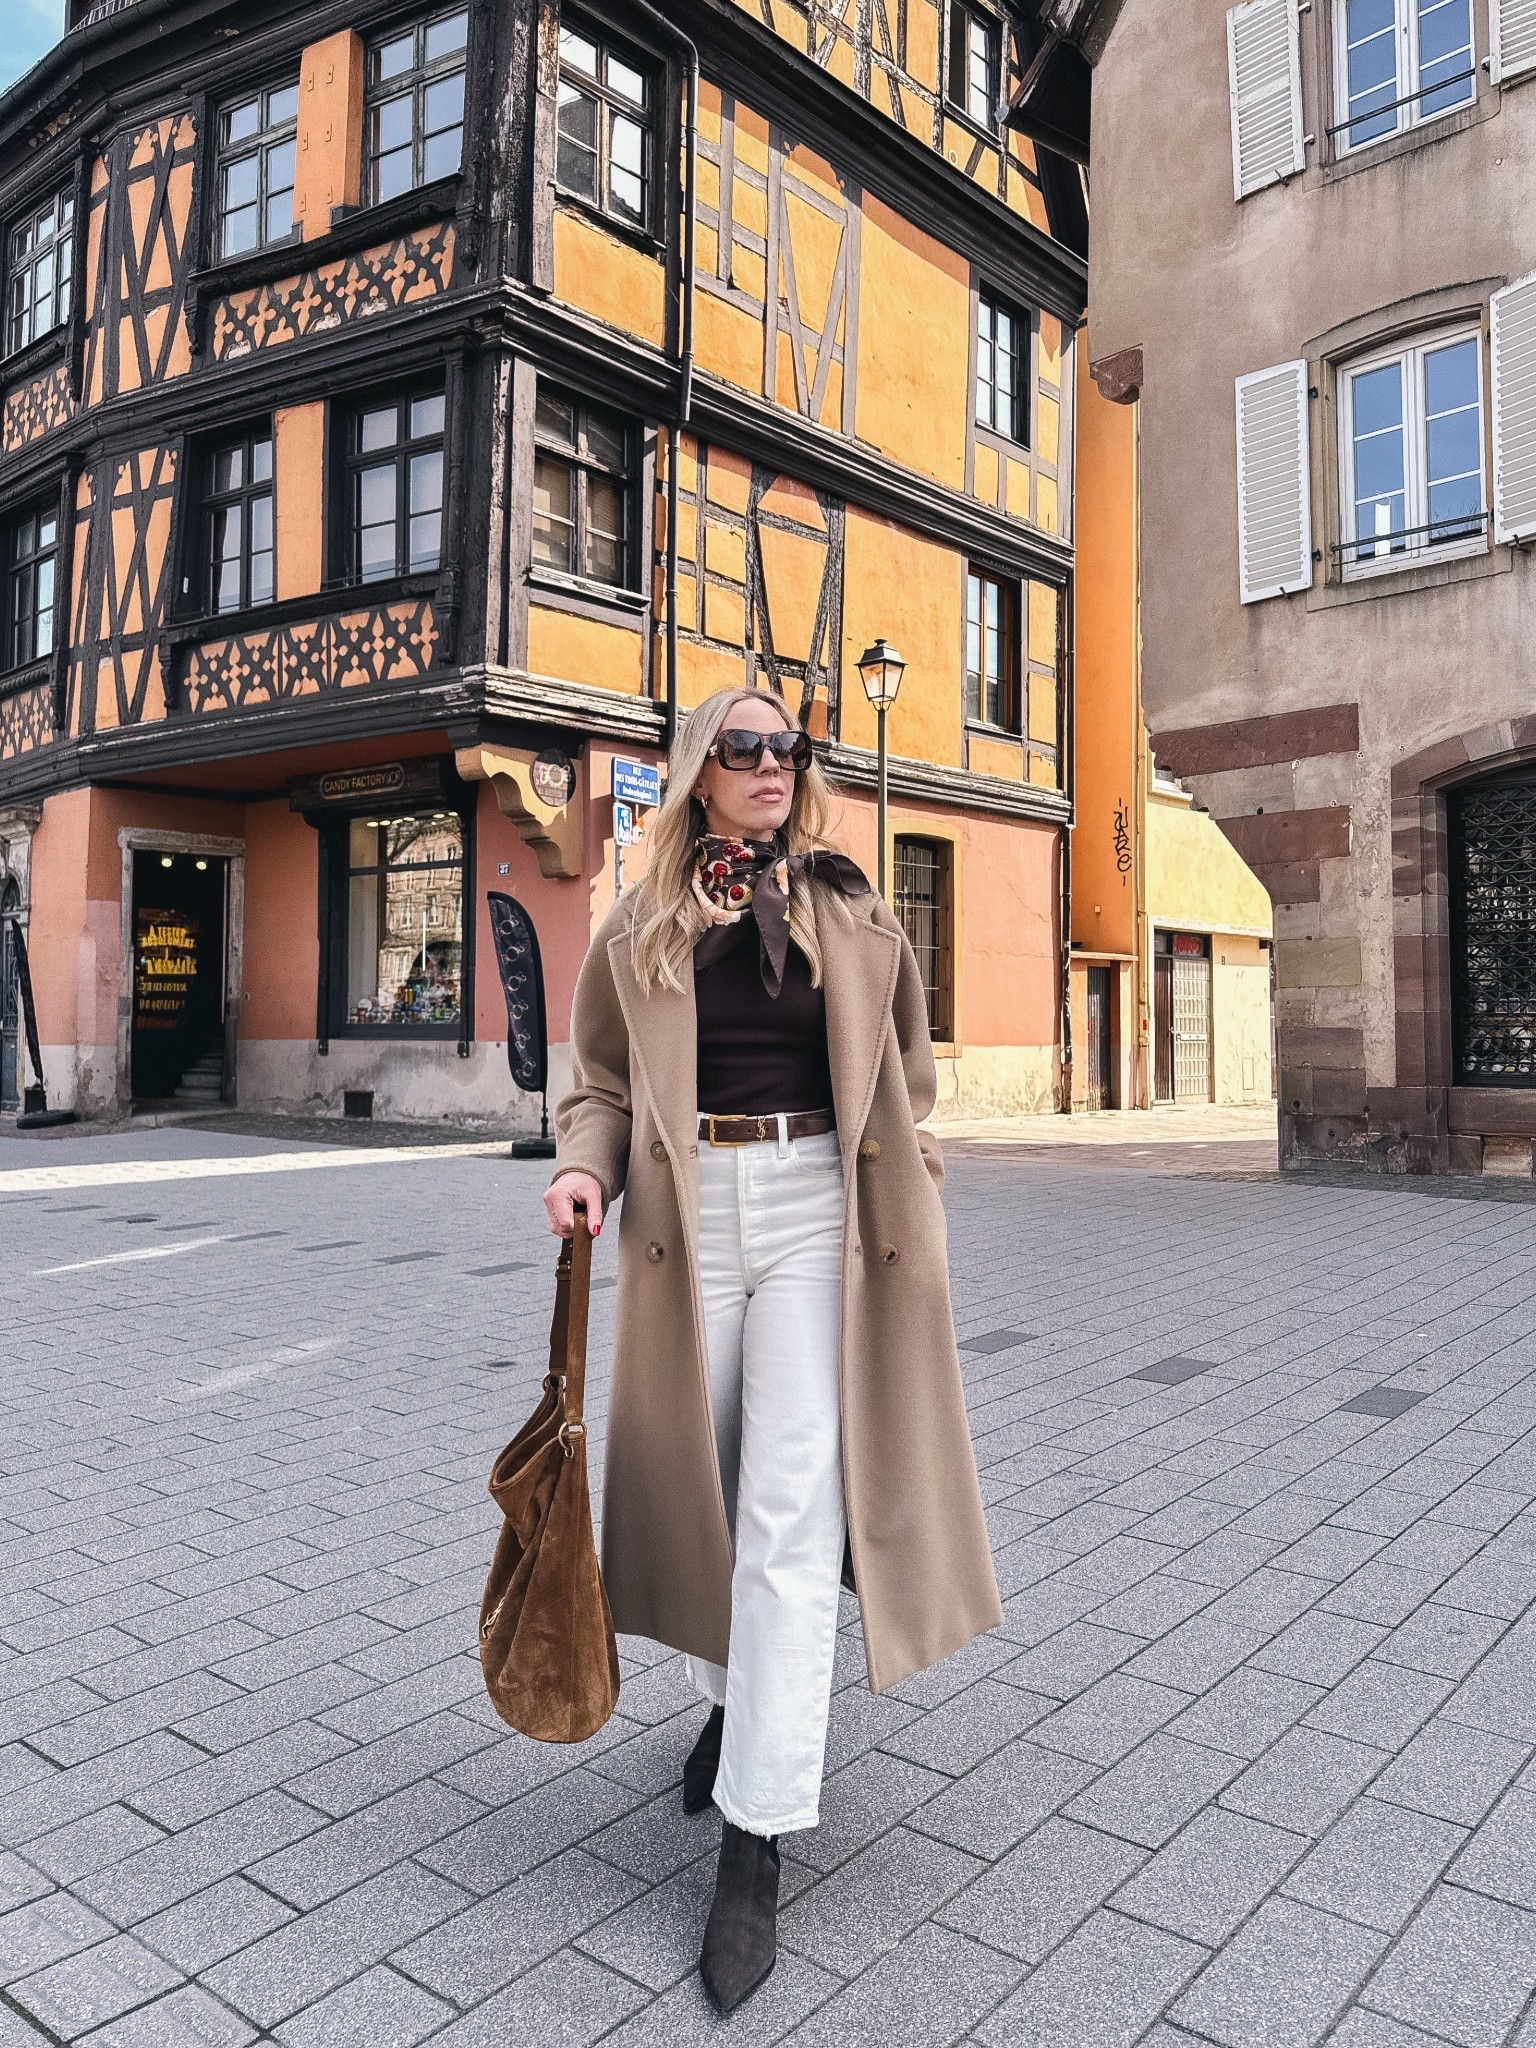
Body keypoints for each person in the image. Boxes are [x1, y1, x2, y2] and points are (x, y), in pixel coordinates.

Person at [543, 685, 1001, 2012]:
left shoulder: (854, 911)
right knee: (707, 1490)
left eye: (783, 749)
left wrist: (914, 1171)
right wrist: (584, 1169)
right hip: (689, 1219)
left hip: (820, 1217)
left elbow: (908, 1078)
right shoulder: (639, 923)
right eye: (738, 747)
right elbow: (598, 1083)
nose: (765, 766)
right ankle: (737, 1704)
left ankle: (756, 1838)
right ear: (696, 771)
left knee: (790, 1507)